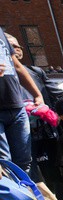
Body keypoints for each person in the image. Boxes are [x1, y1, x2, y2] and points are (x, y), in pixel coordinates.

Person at [0, 28, 44, 175]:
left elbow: (16, 65)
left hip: (16, 107)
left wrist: (36, 94)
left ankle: (25, 195)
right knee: (4, 163)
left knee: (24, 162)